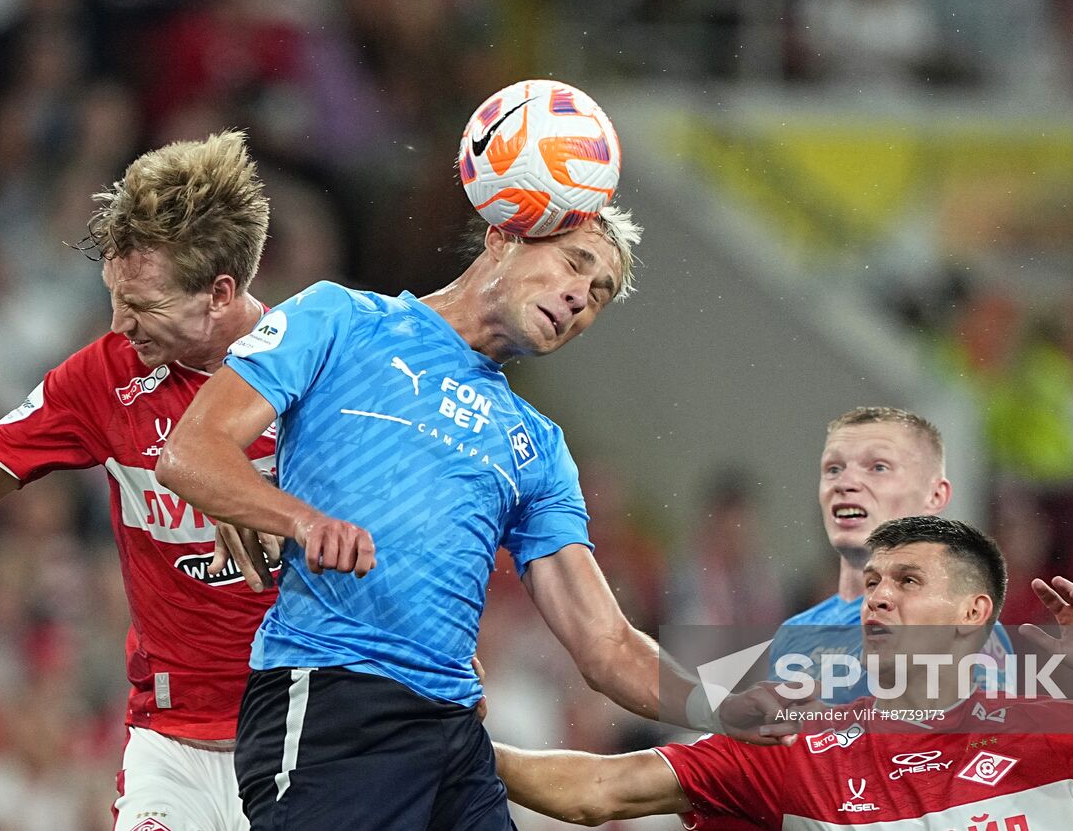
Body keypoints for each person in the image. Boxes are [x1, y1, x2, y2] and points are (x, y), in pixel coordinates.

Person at [155, 207, 799, 830]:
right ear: (503, 237)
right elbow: (191, 452)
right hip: (334, 700)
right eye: (573, 264)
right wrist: (300, 520)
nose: (581, 298)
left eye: (599, 294)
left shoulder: (537, 446)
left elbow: (606, 645)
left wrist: (722, 706)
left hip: (457, 732)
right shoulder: (342, 318)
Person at [0, 130, 282, 831]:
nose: (118, 322)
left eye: (141, 303)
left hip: (306, 737)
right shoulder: (104, 376)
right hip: (169, 748)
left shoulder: (314, 372)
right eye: (115, 296)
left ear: (219, 292)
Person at [494, 515, 1073, 829]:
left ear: (974, 613)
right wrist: (447, 733)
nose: (877, 598)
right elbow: (599, 790)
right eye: (871, 583)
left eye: (907, 582)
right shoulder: (792, 736)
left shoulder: (1058, 732)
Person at [769, 407, 1011, 695]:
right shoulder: (794, 633)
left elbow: (988, 737)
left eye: (878, 467)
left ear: (934, 496)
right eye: (833, 469)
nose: (844, 484)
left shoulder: (959, 625)